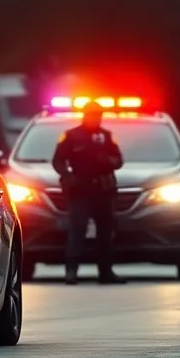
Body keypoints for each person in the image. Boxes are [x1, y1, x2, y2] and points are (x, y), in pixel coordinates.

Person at [52, 104, 126, 286]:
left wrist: (107, 160)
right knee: (78, 229)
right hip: (80, 190)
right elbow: (58, 160)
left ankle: (106, 272)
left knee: (106, 231)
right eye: (92, 115)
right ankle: (71, 271)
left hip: (103, 190)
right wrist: (67, 176)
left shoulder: (106, 136)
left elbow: (118, 161)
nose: (95, 118)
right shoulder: (71, 136)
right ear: (85, 116)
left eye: (98, 115)